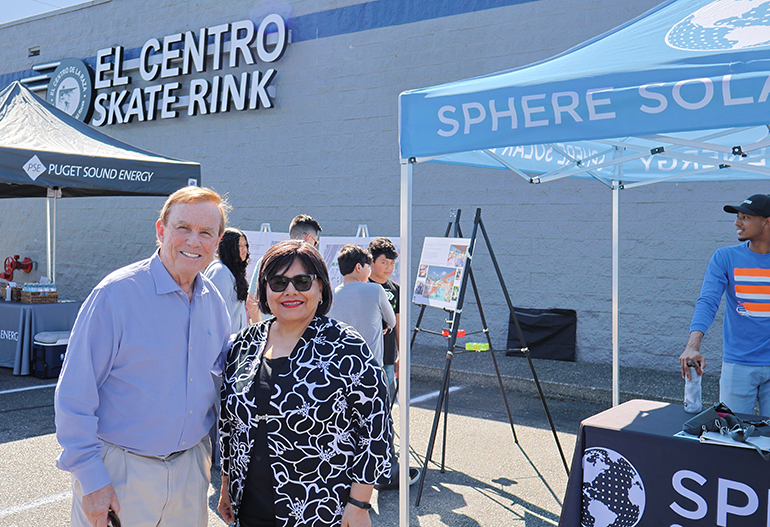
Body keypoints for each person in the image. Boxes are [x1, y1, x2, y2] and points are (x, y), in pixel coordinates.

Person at [54, 186, 233, 527]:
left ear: (217, 240)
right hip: (121, 473)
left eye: (206, 233)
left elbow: (219, 396)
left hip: (191, 472)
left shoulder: (214, 303)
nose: (193, 241)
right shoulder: (115, 295)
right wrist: (93, 481)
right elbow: (74, 395)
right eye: (183, 228)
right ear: (161, 230)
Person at [218, 240, 392, 527]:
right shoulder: (245, 344)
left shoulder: (345, 346)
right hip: (249, 505)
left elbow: (374, 428)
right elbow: (230, 425)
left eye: (302, 281)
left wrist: (359, 504)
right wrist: (226, 483)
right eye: (278, 282)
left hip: (320, 508)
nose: (290, 291)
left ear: (320, 286)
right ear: (264, 289)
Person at [680, 194, 770, 416]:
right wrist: (693, 344)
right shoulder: (725, 257)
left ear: (767, 222)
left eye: (745, 217)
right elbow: (708, 301)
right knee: (732, 439)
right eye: (738, 217)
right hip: (738, 365)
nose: (737, 223)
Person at [328, 244, 396, 368]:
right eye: (368, 267)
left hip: (341, 365)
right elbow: (392, 321)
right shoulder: (376, 290)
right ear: (358, 267)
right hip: (370, 365)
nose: (369, 272)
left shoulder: (332, 295)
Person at [246, 214, 322, 322]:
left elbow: (251, 300)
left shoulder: (267, 260)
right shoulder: (312, 265)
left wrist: (262, 331)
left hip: (271, 331)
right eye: (315, 242)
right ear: (308, 237)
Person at [368, 237, 400, 397]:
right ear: (371, 263)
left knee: (387, 401)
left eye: (392, 263)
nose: (389, 267)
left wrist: (400, 354)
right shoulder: (363, 286)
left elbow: (398, 324)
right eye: (384, 262)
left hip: (388, 355)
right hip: (366, 356)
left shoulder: (396, 289)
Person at [205, 227, 251, 333]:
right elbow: (219, 315)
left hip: (234, 341)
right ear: (229, 248)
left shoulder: (232, 270)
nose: (244, 249)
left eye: (245, 245)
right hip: (225, 343)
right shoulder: (220, 272)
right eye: (239, 246)